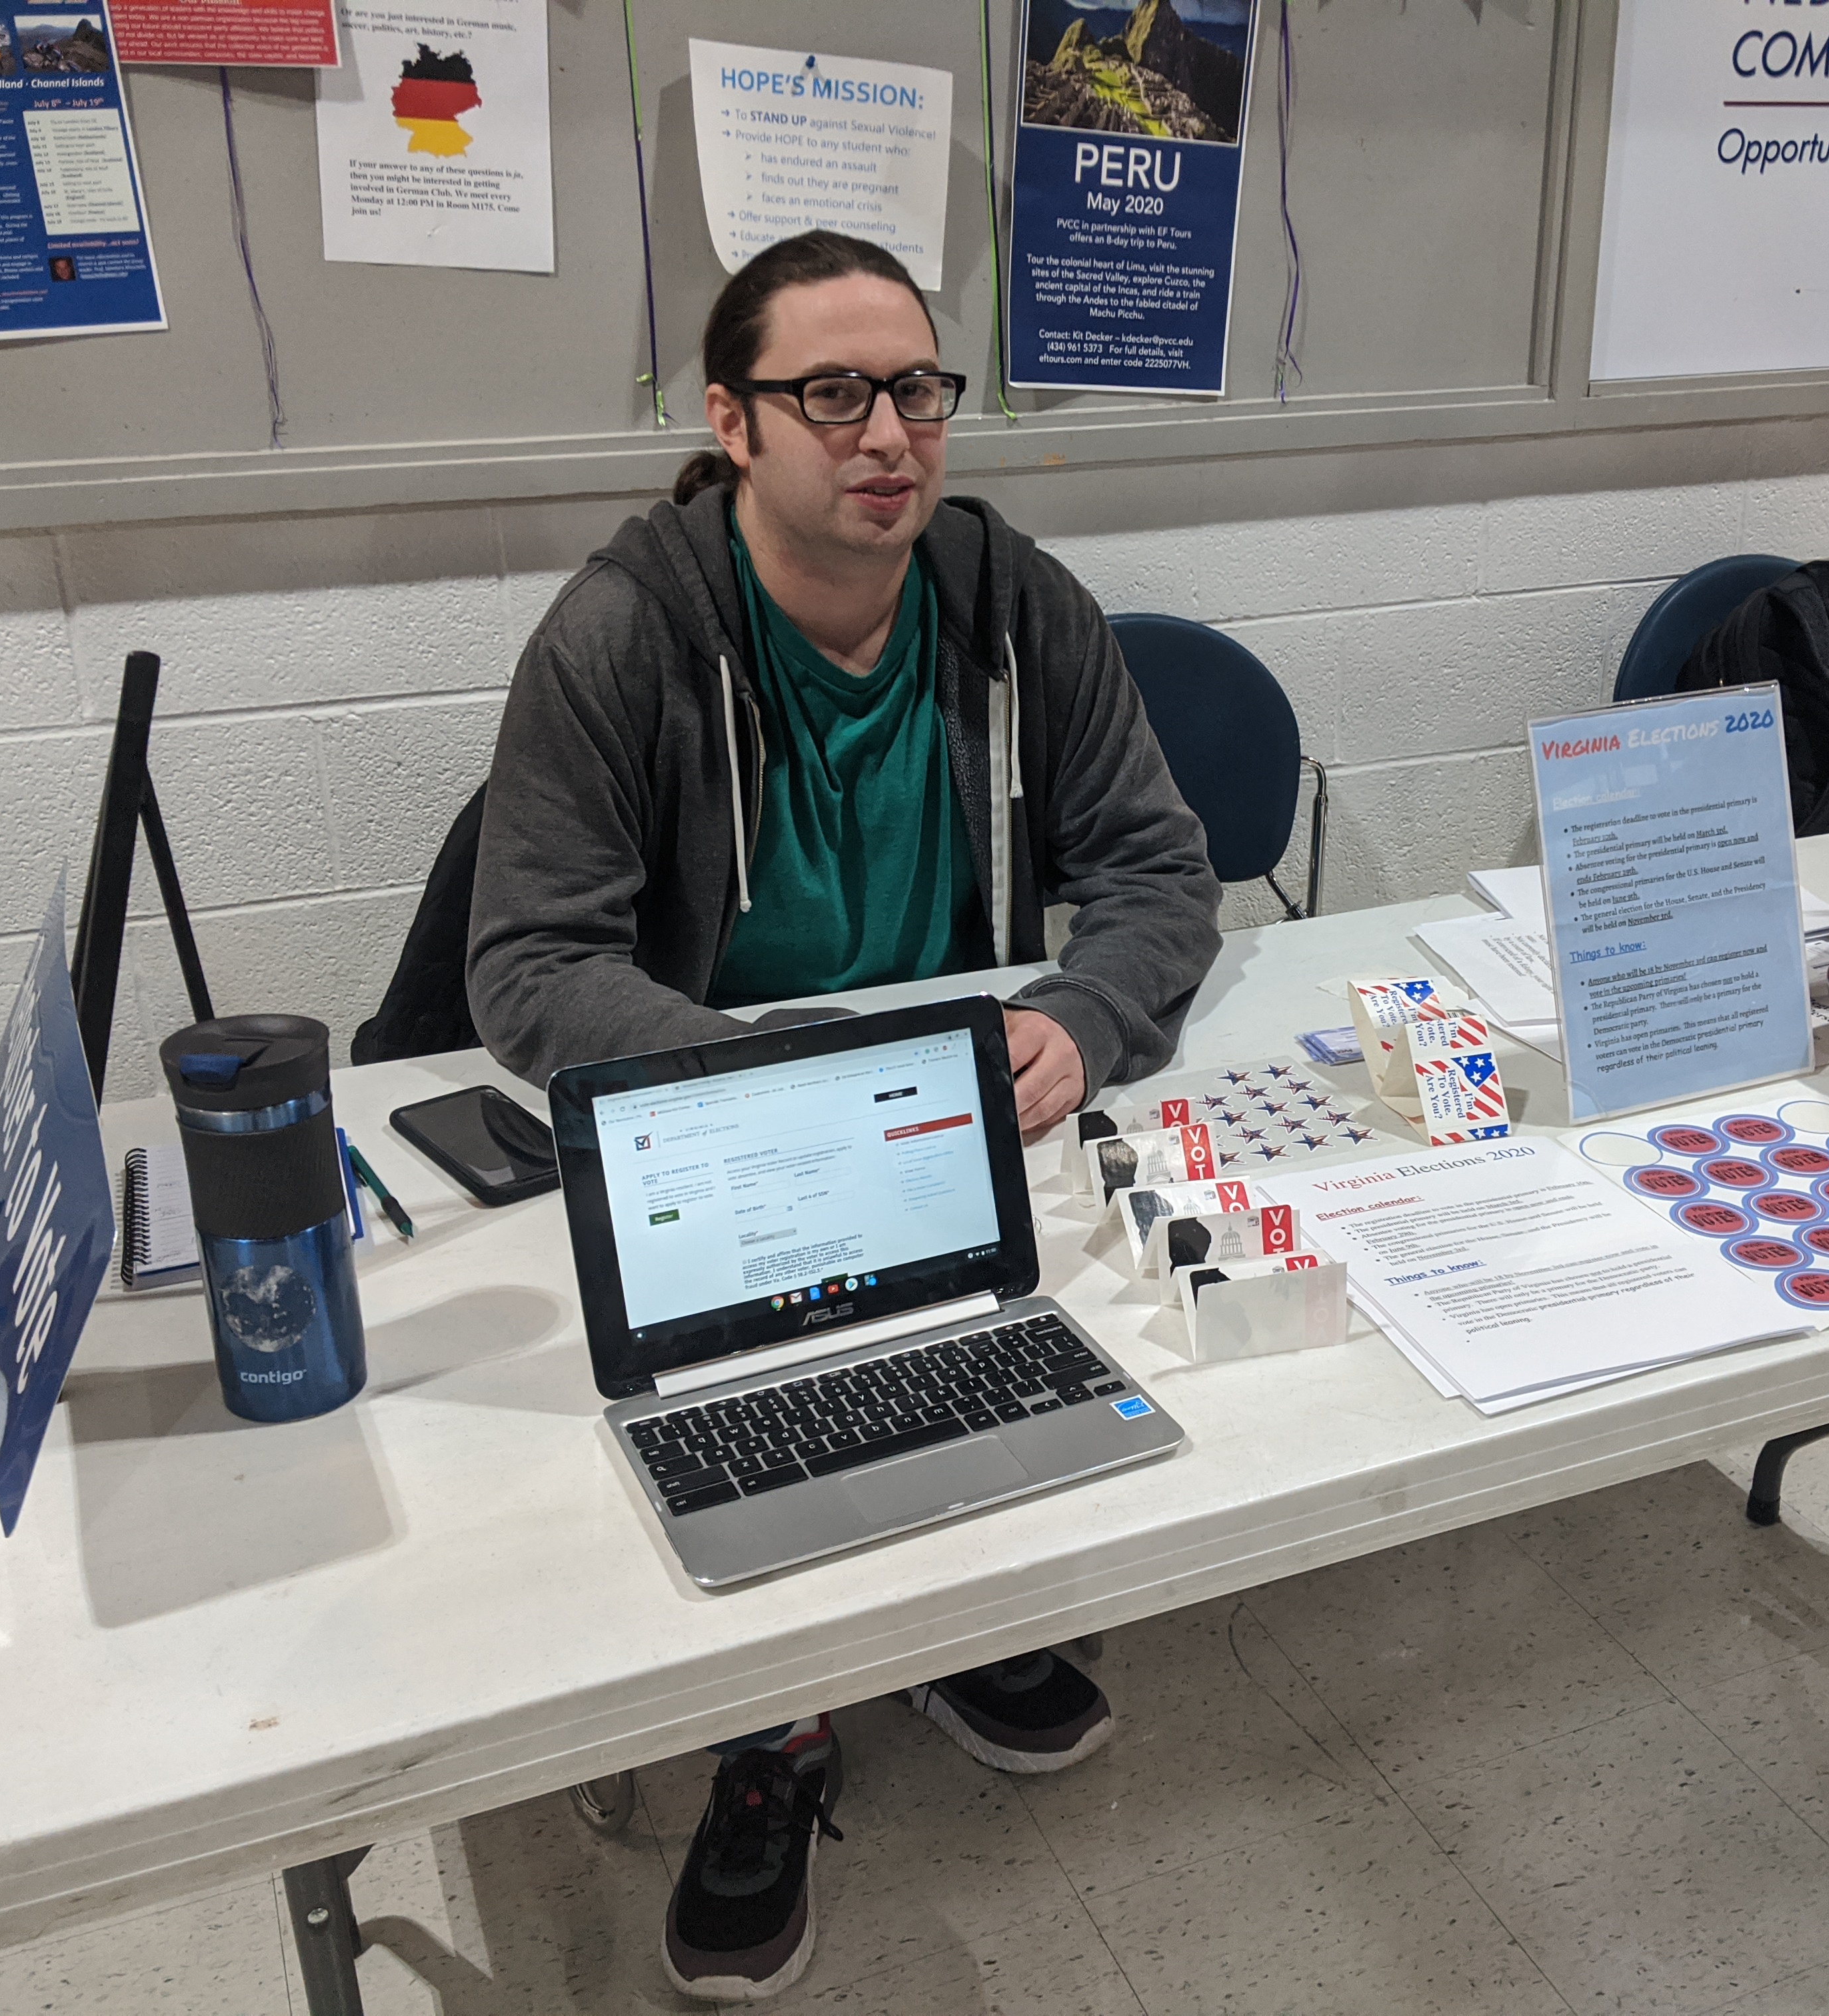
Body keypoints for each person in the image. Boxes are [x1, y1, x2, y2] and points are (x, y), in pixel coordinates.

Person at [467, 230, 1222, 2001]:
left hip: (964, 1118)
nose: (888, 434)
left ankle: (953, 1634)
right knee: (766, 1415)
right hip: (729, 1127)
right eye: (832, 394)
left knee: (1029, 1374)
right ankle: (772, 1740)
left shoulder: (1011, 596)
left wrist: (1086, 1014)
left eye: (917, 389)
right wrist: (766, 1090)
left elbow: (1160, 868)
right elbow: (527, 963)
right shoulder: (626, 628)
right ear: (735, 421)